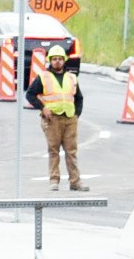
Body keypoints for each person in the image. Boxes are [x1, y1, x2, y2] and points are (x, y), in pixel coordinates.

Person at [25, 45, 87, 192]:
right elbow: (30, 94)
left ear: (64, 61)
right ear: (50, 61)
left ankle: (75, 182)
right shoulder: (43, 77)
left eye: (60, 59)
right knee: (54, 150)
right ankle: (54, 180)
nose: (57, 62)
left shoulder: (71, 77)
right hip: (52, 119)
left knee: (71, 151)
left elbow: (79, 98)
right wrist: (42, 108)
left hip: (69, 119)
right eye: (54, 59)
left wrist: (77, 114)